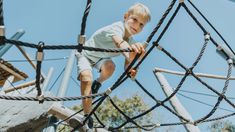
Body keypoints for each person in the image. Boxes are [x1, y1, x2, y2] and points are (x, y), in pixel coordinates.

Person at [75, 3, 151, 129]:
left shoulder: (131, 41)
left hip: (101, 58)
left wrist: (132, 68)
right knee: (86, 77)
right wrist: (132, 51)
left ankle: (98, 82)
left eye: (141, 24)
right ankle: (87, 115)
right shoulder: (117, 27)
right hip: (86, 54)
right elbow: (119, 43)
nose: (137, 25)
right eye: (135, 19)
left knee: (110, 67)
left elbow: (128, 61)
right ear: (126, 17)